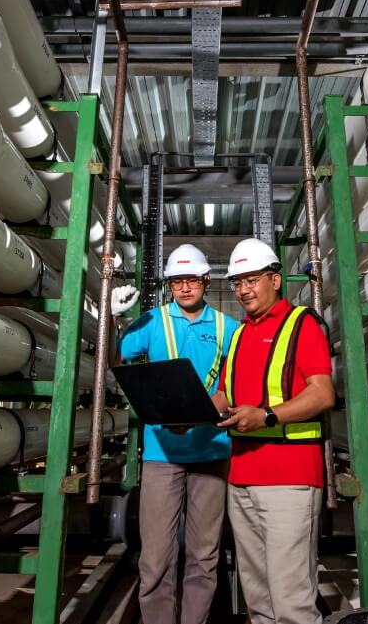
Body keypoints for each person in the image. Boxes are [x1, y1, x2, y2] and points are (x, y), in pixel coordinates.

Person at [212, 237, 335, 624]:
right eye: (237, 282)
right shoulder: (238, 334)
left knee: (291, 598)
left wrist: (266, 416)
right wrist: (186, 412)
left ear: (275, 279)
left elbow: (322, 394)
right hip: (241, 477)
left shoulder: (303, 324)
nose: (243, 290)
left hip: (290, 478)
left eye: (251, 280)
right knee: (257, 594)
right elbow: (223, 394)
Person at [114, 244, 239, 624]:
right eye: (177, 281)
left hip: (212, 451)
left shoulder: (228, 328)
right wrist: (115, 320)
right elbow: (117, 363)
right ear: (169, 284)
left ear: (206, 280)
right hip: (161, 454)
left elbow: (237, 387)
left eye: (191, 280)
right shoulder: (151, 322)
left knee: (204, 556)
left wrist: (203, 413)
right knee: (155, 558)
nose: (184, 288)